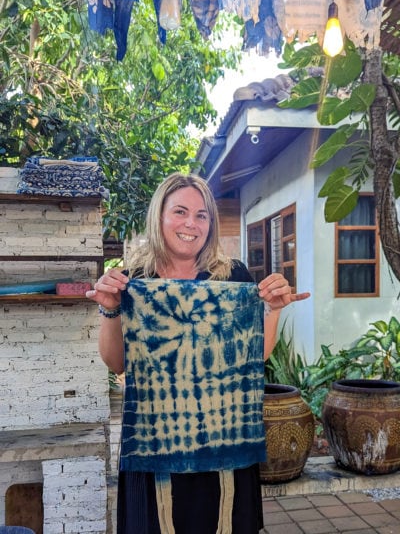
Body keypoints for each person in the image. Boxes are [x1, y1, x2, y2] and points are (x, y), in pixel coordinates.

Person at [86, 172, 310, 534]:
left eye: (202, 215)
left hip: (223, 437)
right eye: (180, 211)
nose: (191, 223)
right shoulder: (133, 281)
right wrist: (111, 308)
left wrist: (274, 310)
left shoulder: (232, 277)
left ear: (211, 224)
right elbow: (116, 362)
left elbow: (255, 356)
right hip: (154, 439)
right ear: (159, 217)